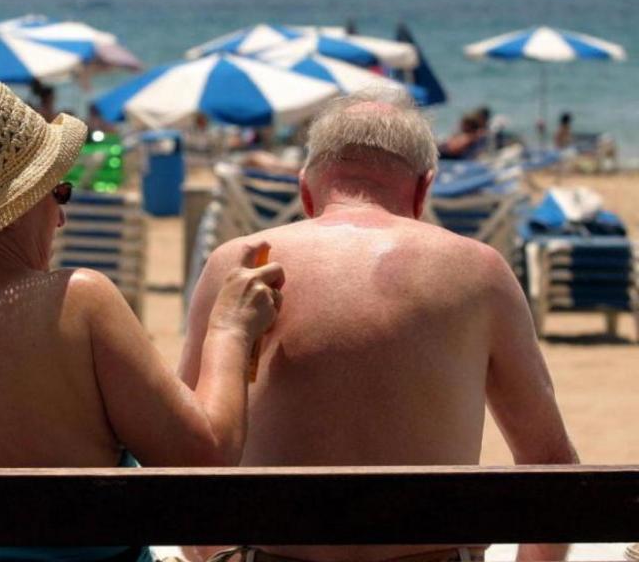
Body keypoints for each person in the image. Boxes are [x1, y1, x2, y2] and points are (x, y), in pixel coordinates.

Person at [0, 82, 285, 562]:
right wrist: (230, 330)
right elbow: (206, 460)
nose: (61, 219)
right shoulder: (78, 302)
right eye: (60, 192)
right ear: (20, 206)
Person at [181, 90, 578, 562]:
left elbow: (182, 455)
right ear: (424, 188)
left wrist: (220, 555)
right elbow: (551, 466)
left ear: (306, 190)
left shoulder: (240, 265)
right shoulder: (479, 271)